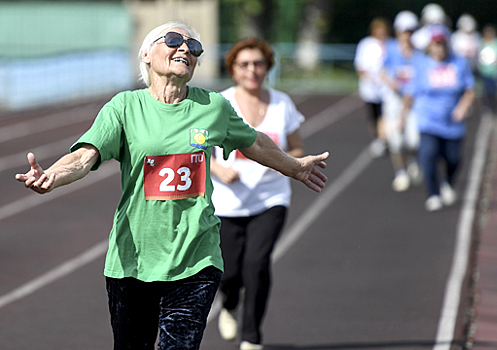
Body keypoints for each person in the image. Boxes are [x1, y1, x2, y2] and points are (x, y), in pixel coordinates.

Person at [14, 21, 329, 350]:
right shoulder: (124, 108)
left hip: (196, 259)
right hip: (133, 263)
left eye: (194, 48)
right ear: (146, 54)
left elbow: (254, 143)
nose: (185, 50)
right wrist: (51, 176)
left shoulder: (213, 107)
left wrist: (294, 167)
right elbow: (83, 158)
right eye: (174, 40)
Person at [209, 37, 304, 350]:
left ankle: (252, 338)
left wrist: (285, 164)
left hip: (270, 199)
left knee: (257, 264)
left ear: (267, 68)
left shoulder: (282, 104)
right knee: (229, 272)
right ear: (233, 70)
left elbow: (297, 147)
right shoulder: (218, 104)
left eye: (258, 63)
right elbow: (198, 149)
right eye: (244, 64)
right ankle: (229, 303)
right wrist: (218, 169)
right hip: (226, 201)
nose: (252, 70)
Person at [401, 24, 475, 212]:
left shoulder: (459, 63)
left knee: (454, 158)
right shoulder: (421, 64)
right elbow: (410, 93)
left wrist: (462, 108)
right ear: (430, 46)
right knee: (429, 156)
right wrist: (402, 116)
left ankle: (448, 182)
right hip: (428, 121)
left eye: (441, 44)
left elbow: (469, 90)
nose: (439, 48)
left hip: (453, 122)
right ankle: (433, 193)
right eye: (435, 44)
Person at [381, 10, 422, 192]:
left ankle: (413, 160)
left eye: (411, 31)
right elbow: (382, 72)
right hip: (394, 100)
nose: (407, 35)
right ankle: (400, 172)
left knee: (414, 140)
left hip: (413, 101)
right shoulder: (390, 49)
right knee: (395, 141)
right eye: (404, 31)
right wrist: (392, 84)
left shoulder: (419, 53)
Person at [354, 17, 391, 157]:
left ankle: (383, 140)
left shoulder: (389, 44)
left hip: (386, 89)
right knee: (373, 116)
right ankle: (376, 138)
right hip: (370, 89)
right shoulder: (366, 44)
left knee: (384, 115)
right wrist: (369, 78)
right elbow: (359, 65)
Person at [478, 24, 497, 114]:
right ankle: (488, 108)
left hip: (496, 72)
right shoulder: (482, 43)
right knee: (487, 91)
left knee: (495, 90)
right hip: (484, 72)